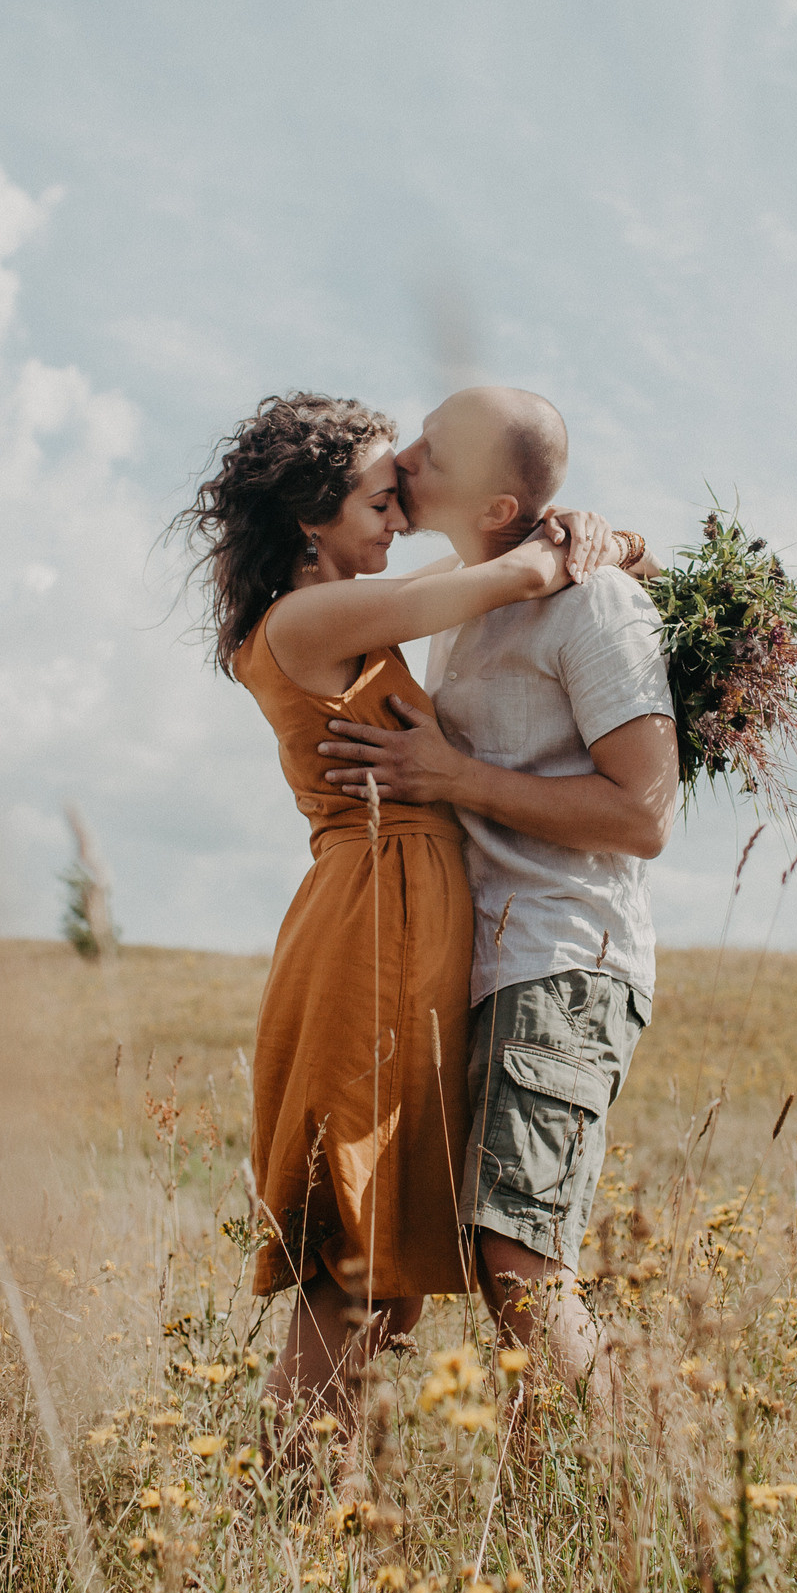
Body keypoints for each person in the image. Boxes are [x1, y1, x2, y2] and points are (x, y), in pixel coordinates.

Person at [171, 390, 631, 1440]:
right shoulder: (309, 616)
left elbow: (489, 572)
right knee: (353, 1256)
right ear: (309, 519)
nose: (397, 515)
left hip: (396, 913)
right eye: (380, 500)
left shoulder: (328, 609)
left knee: (381, 1270)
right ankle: (295, 1523)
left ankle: (312, 1521)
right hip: (370, 922)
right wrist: (577, 541)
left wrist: (604, 541)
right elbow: (509, 575)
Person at [316, 386, 675, 1403]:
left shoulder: (594, 602)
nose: (406, 455)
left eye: (436, 449)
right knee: (489, 1260)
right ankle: (545, 1531)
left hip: (564, 956)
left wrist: (450, 778)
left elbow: (642, 816)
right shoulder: (470, 600)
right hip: (480, 965)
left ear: (493, 507)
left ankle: (595, 1519)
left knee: (520, 1261)